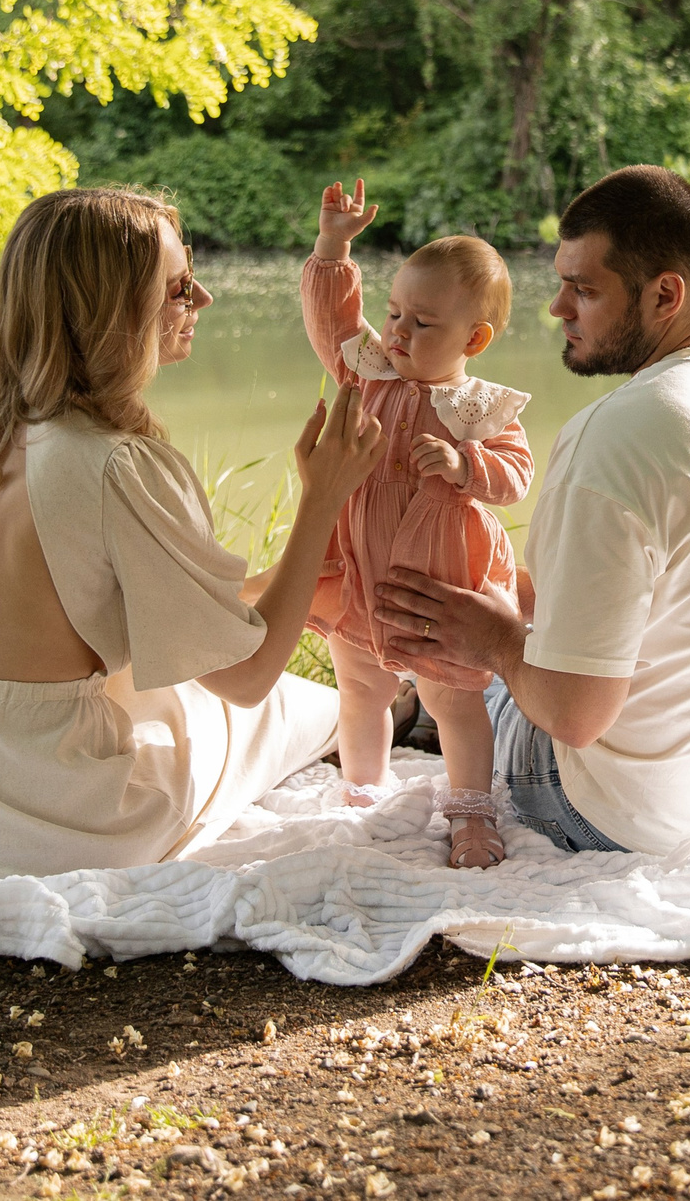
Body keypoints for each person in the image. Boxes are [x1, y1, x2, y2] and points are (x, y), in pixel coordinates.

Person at [0, 187, 384, 890]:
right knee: (279, 707)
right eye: (177, 286)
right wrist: (322, 498)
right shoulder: (111, 463)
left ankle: (380, 701)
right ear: (111, 312)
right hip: (36, 823)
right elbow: (248, 677)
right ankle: (397, 702)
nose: (205, 299)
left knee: (181, 691)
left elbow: (84, 611)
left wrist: (271, 589)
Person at [374, 166, 690, 855]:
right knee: (496, 619)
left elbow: (571, 716)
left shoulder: (614, 432)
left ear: (665, 293)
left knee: (466, 679)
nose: (557, 307)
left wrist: (492, 637)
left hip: (631, 815)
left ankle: (404, 703)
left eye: (584, 289)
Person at [301, 180, 532, 868]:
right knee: (361, 685)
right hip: (362, 567)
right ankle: (365, 791)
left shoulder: (478, 407)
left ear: (475, 337)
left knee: (454, 697)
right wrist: (334, 247)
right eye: (395, 312)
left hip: (440, 577)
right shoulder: (369, 373)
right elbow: (335, 323)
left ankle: (470, 812)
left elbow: (516, 476)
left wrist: (464, 465)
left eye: (421, 323)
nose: (397, 331)